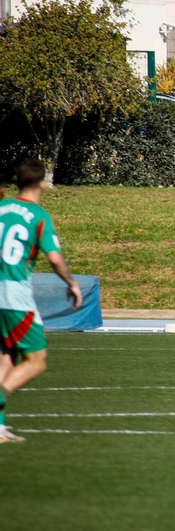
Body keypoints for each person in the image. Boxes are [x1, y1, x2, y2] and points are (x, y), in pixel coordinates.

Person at [0, 159, 82, 444]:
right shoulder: (38, 215)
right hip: (14, 296)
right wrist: (71, 283)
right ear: (42, 183)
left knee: (6, 357)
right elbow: (55, 258)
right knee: (36, 361)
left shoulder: (0, 209)